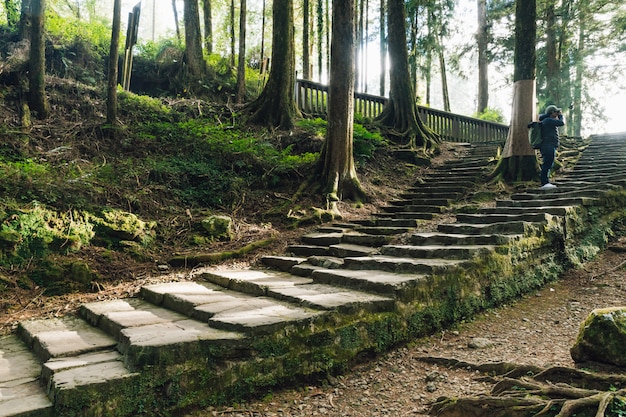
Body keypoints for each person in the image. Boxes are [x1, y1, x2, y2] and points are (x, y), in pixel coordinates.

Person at [538, 104, 565, 189]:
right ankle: (544, 182)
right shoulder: (548, 120)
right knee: (547, 164)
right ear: (551, 112)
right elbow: (561, 123)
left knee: (548, 163)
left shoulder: (547, 120)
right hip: (548, 145)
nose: (557, 114)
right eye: (556, 112)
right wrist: (561, 116)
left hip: (548, 145)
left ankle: (545, 182)